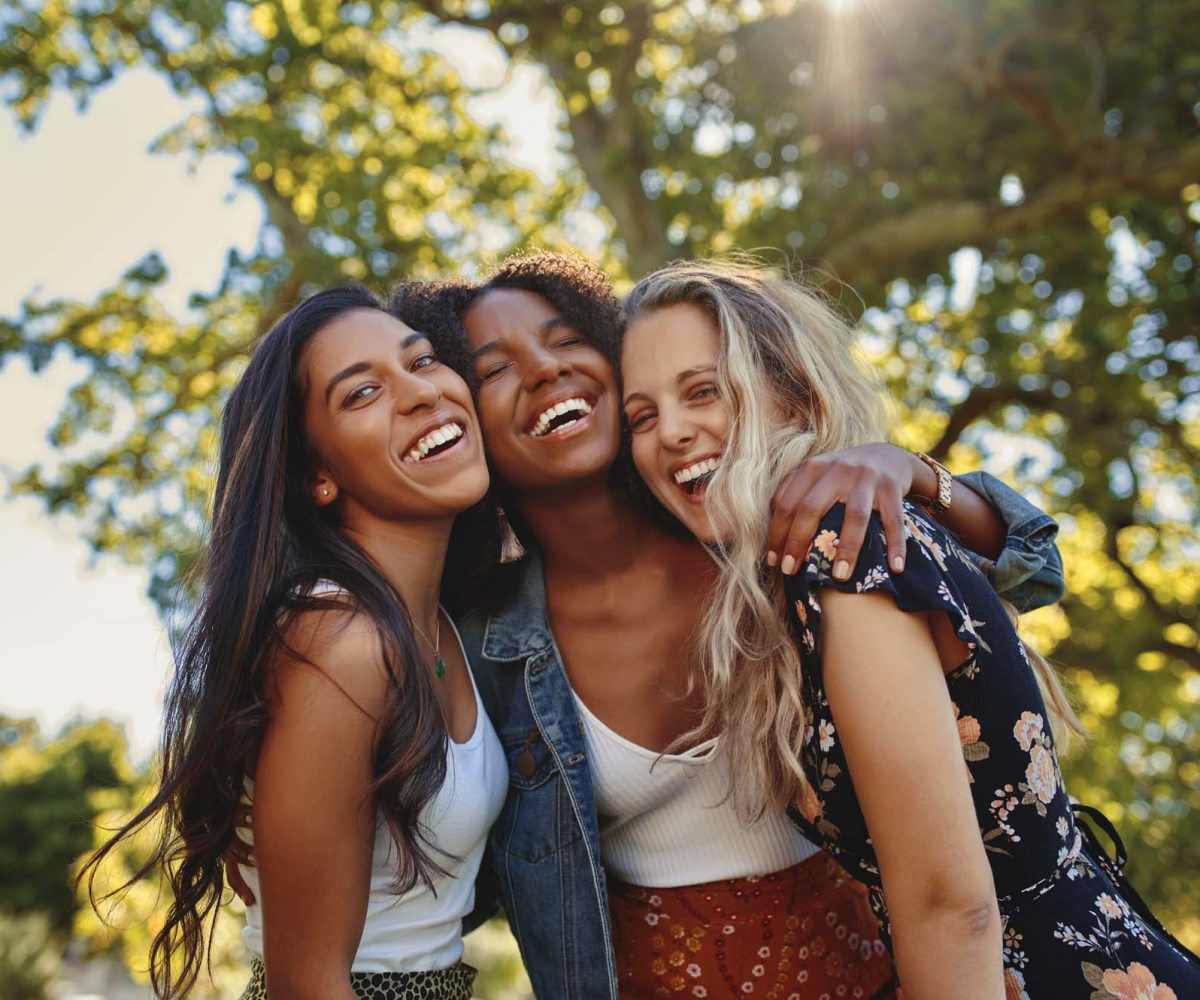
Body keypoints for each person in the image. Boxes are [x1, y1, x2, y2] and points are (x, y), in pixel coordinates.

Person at [382, 251, 1067, 1000]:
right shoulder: (478, 645)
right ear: (464, 418)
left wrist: (911, 471)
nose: (545, 370)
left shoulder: (764, 523)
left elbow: (1028, 574)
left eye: (565, 340)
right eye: (494, 369)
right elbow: (444, 875)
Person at [618, 258, 1200, 1000]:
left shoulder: (846, 543)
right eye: (642, 416)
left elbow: (950, 908)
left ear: (791, 394)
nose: (671, 431)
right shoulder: (799, 559)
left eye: (704, 391)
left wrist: (917, 471)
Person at [81, 287, 507, 1000]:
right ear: (318, 477)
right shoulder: (338, 642)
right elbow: (307, 983)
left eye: (423, 361)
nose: (419, 393)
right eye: (362, 392)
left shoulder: (440, 621)